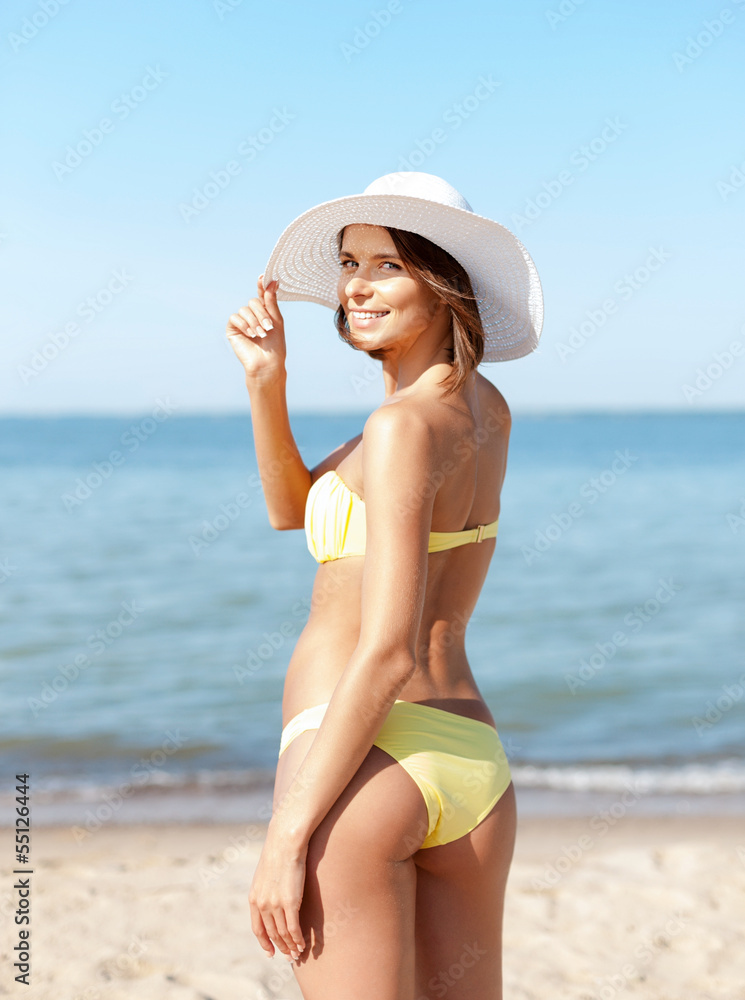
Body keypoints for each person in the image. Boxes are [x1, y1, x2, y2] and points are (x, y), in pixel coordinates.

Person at [226, 171, 543, 1000]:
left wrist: (284, 836)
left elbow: (388, 650)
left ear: (442, 285)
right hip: (471, 766)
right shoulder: (481, 407)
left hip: (362, 758)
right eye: (347, 262)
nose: (354, 287)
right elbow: (295, 511)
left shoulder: (399, 426)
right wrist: (267, 382)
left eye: (386, 265)